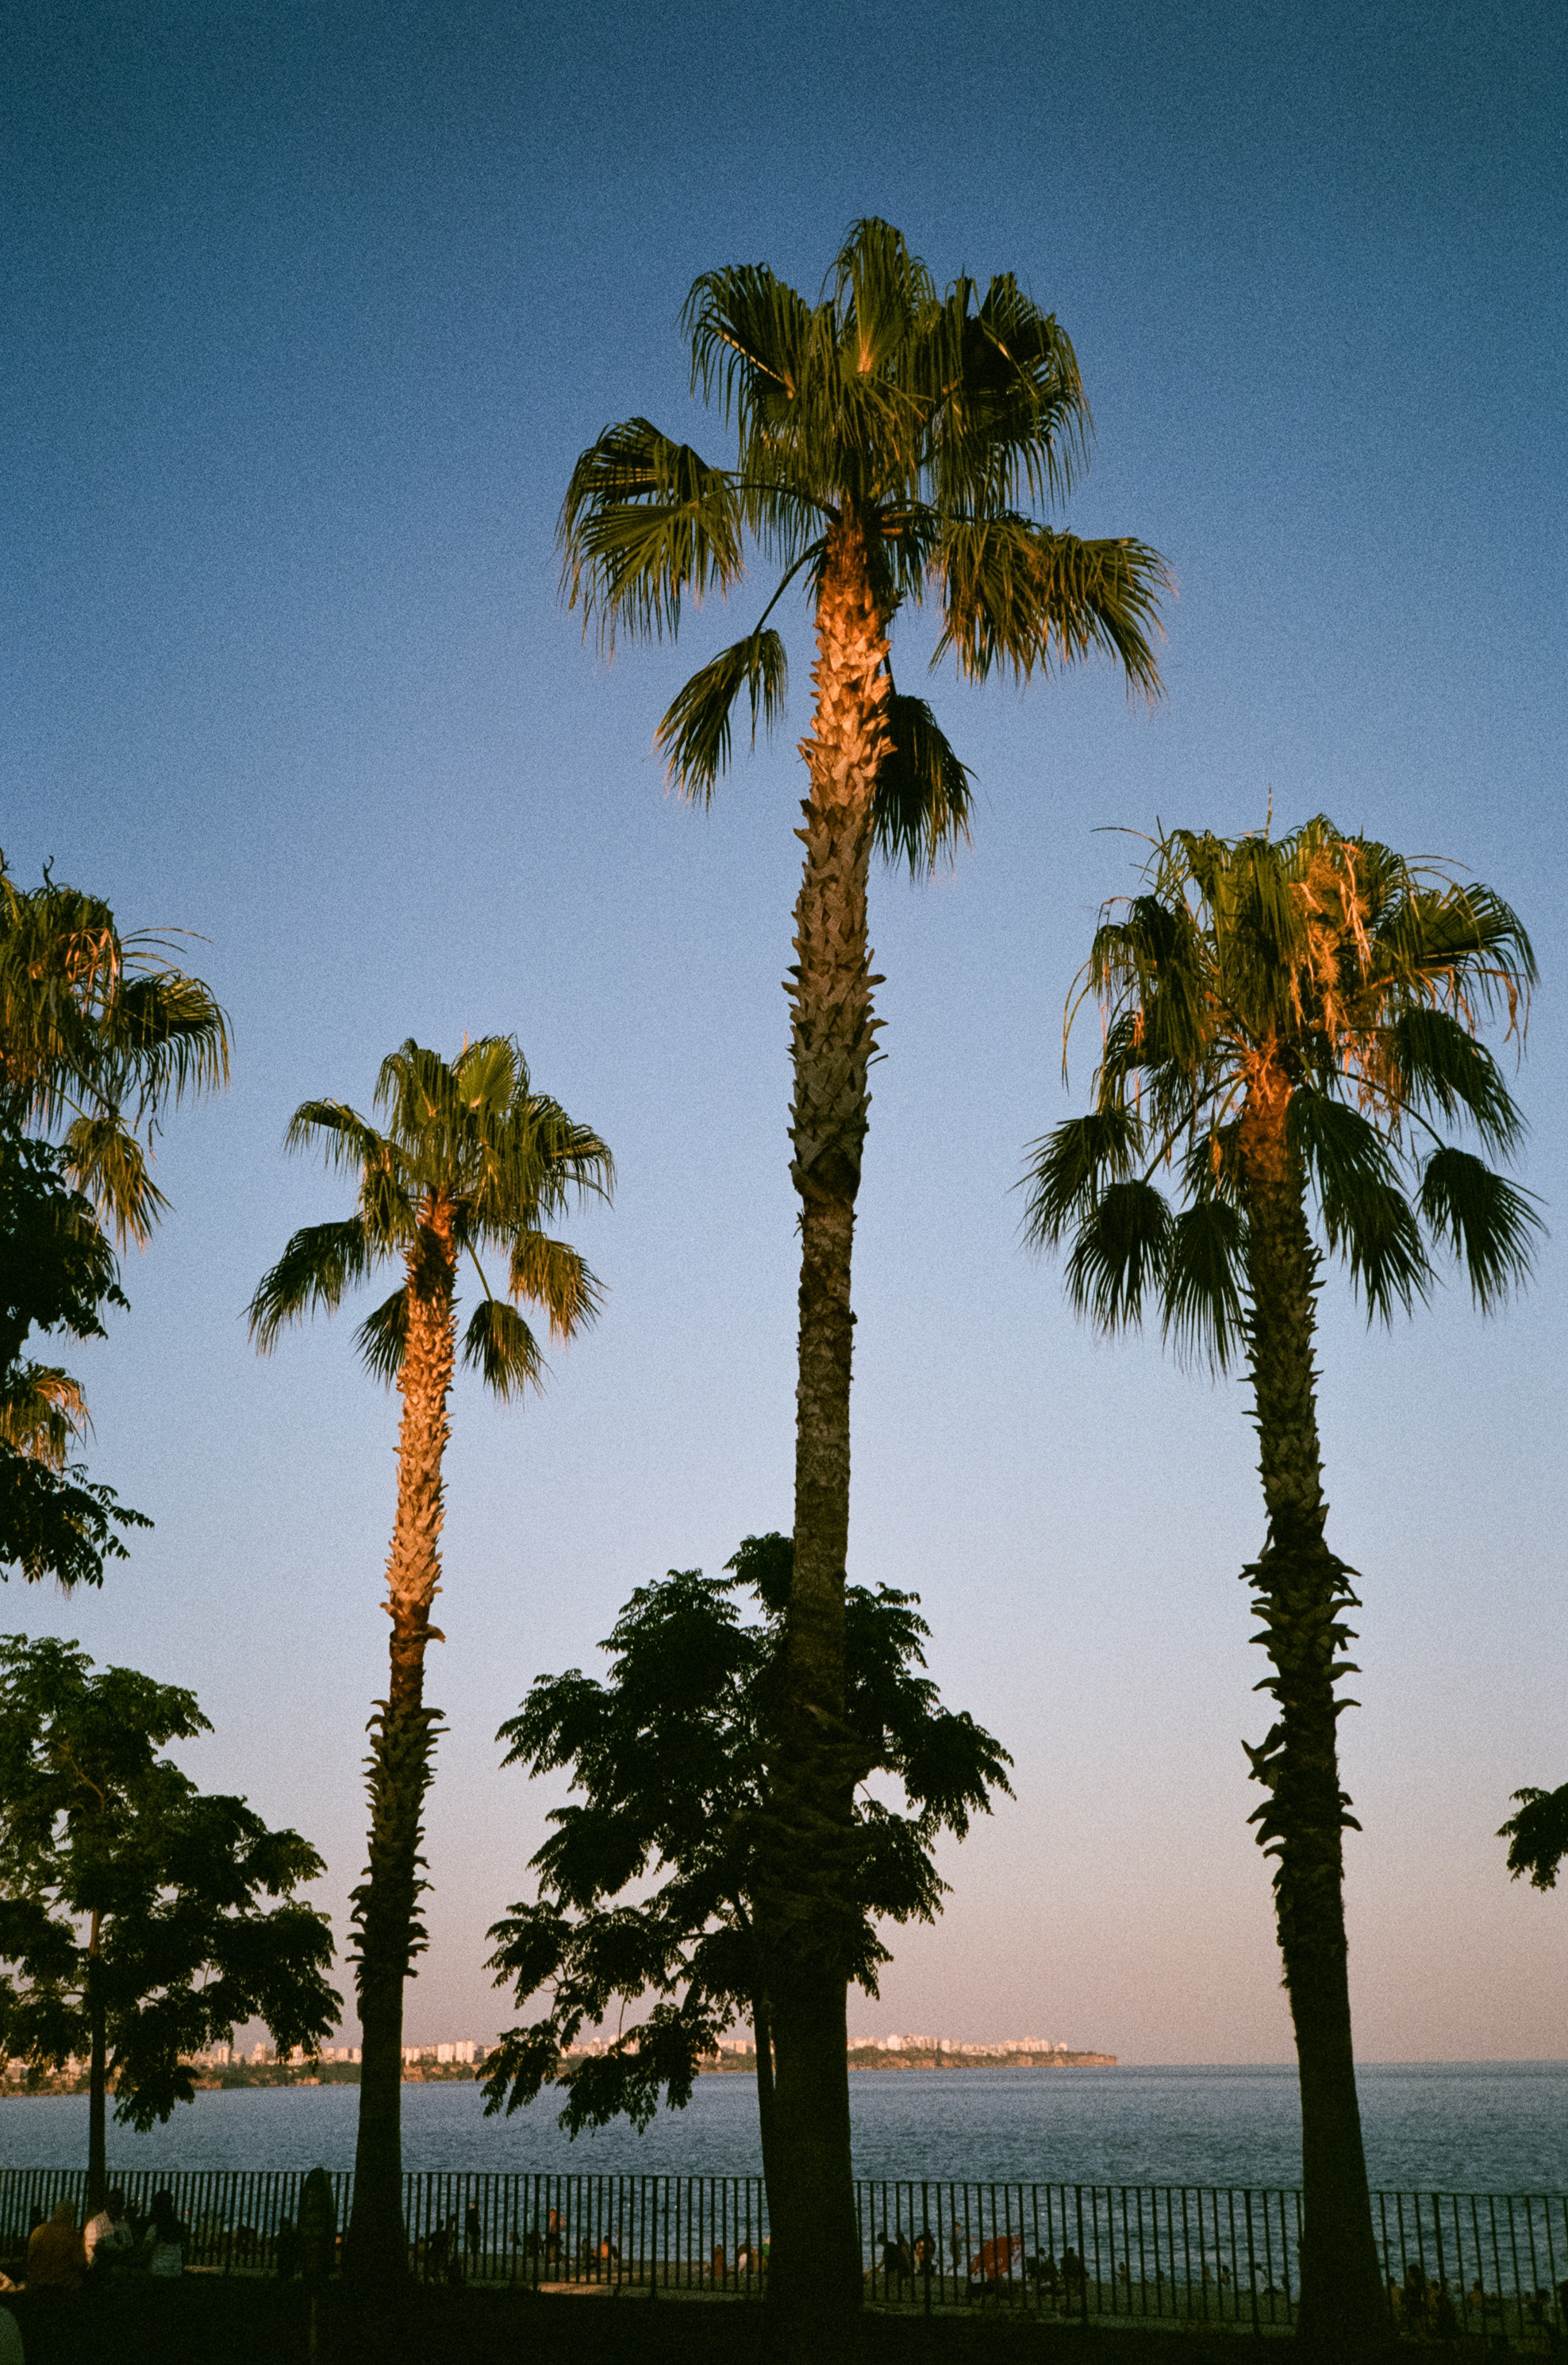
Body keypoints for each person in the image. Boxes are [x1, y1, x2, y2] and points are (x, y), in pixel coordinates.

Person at [26, 2200, 86, 2292]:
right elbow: (80, 2263)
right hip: (63, 2287)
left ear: (54, 2213)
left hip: (37, 2285)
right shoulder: (72, 2237)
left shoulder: (38, 2231)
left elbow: (30, 2258)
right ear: (71, 2217)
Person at [84, 2187, 132, 2276]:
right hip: (100, 2268)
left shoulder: (125, 2226)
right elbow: (96, 2250)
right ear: (107, 2203)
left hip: (120, 2266)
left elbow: (129, 2248)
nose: (116, 2206)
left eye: (119, 2204)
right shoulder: (96, 2223)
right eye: (113, 2203)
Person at [142, 2190, 186, 2278]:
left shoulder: (155, 2228)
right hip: (175, 2272)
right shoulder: (178, 2228)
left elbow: (146, 2251)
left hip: (156, 2272)